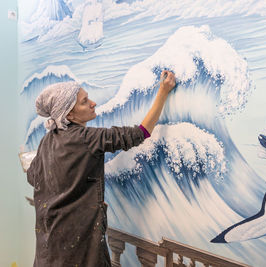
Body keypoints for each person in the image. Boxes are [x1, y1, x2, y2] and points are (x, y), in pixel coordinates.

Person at [27, 70, 176, 266]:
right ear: (69, 114)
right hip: (79, 246)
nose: (93, 103)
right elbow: (141, 132)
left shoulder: (47, 140)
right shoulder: (88, 138)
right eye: (84, 101)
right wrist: (163, 92)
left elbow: (32, 177)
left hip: (49, 244)